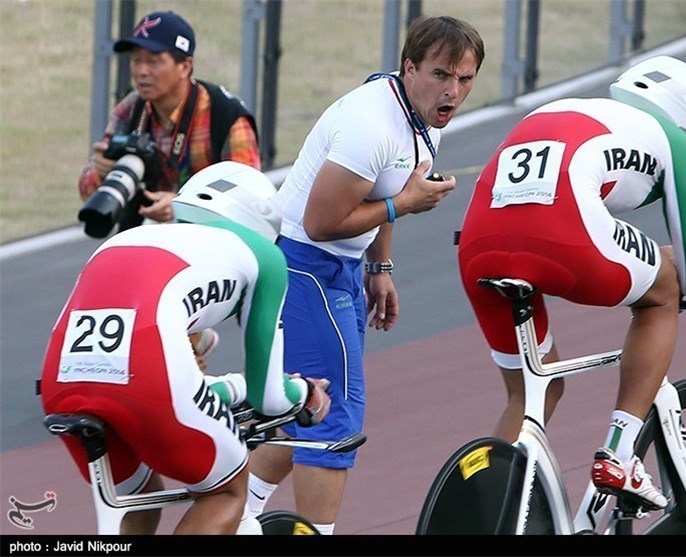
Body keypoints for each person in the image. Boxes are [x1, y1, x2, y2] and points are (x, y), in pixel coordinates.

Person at [457, 55, 686, 511]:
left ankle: (484, 512)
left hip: (478, 245)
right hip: (563, 232)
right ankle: (620, 452)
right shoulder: (676, 145)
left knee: (535, 390)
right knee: (662, 294)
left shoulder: (561, 109)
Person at [245, 15, 485, 533]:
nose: (454, 91)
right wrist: (404, 206)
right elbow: (323, 220)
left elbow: (386, 188)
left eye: (465, 80)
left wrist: (380, 266)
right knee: (333, 418)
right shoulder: (371, 127)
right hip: (306, 264)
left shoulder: (419, 113)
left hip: (338, 266)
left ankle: (238, 514)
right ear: (409, 68)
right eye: (442, 75)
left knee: (302, 403)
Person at [41, 161, 331, 534]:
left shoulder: (126, 239)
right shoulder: (263, 253)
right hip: (146, 374)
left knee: (138, 504)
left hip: (61, 379)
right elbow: (269, 396)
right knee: (225, 492)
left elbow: (129, 368)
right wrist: (305, 392)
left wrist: (230, 387)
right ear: (260, 222)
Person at [77, 10, 261, 369]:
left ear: (185, 66)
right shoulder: (132, 109)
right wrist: (99, 171)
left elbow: (250, 204)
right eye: (136, 61)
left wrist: (181, 208)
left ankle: (186, 361)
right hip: (147, 239)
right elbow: (89, 192)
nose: (141, 71)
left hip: (216, 244)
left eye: (153, 61)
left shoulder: (226, 116)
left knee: (165, 330)